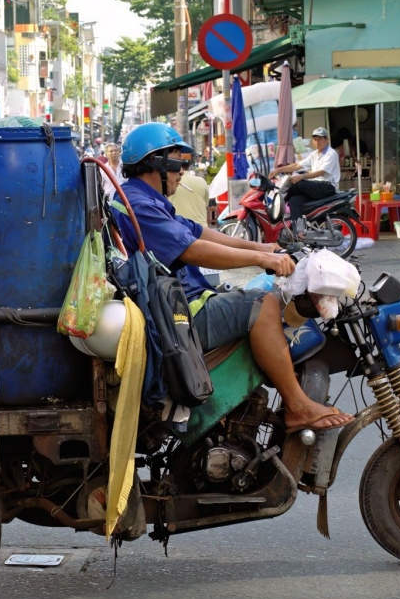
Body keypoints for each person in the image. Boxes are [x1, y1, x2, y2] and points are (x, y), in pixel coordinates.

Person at [113, 122, 352, 431]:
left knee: (267, 291)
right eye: (178, 162)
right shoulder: (139, 206)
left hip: (177, 304)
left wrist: (264, 246)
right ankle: (297, 406)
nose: (182, 171)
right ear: (157, 163)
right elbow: (194, 250)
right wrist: (262, 258)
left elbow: (203, 233)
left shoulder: (146, 200)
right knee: (261, 303)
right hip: (176, 316)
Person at [269, 127, 341, 223]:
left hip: (327, 186)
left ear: (327, 140)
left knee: (298, 184)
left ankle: (276, 203)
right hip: (316, 186)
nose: (317, 142)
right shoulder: (314, 154)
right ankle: (298, 229)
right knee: (294, 200)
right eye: (315, 139)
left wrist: (302, 177)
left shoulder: (330, 154)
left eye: (320, 139)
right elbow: (298, 165)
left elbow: (321, 172)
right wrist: (278, 170)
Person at [168, 151, 210, 226]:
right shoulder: (201, 181)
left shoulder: (169, 182)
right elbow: (206, 204)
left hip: (177, 228)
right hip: (201, 229)